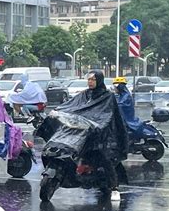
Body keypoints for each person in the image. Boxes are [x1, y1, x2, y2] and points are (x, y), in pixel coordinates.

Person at [55, 70, 128, 202]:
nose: (90, 82)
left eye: (93, 80)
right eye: (89, 79)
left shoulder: (107, 96)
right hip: (83, 133)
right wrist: (57, 112)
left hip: (101, 135)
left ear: (99, 80)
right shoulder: (84, 95)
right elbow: (71, 105)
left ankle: (114, 188)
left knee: (105, 160)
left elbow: (108, 115)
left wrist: (98, 125)